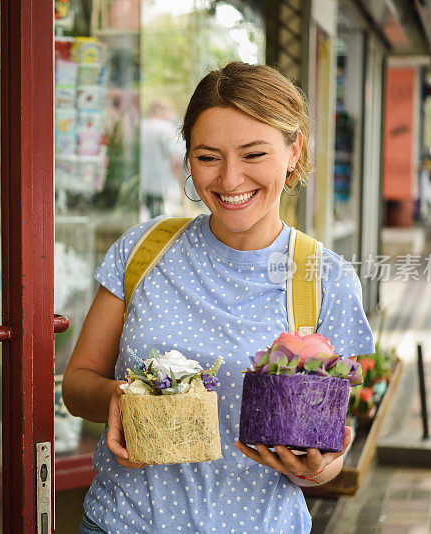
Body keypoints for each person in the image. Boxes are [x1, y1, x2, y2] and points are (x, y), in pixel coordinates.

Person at [62, 61, 375, 533]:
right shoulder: (143, 250)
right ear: (187, 158)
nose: (230, 180)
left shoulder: (324, 278)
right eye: (208, 157)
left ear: (295, 150)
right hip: (122, 523)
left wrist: (314, 467)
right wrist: (120, 398)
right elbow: (77, 383)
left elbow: (324, 455)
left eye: (253, 154)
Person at [139, 99, 184, 217]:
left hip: (142, 182)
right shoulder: (166, 128)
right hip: (160, 184)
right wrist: (181, 185)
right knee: (159, 219)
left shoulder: (141, 126)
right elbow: (174, 160)